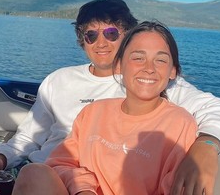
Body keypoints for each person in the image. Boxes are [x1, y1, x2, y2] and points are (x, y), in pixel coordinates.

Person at [0, 0, 220, 195]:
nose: (101, 42)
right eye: (91, 35)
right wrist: (1, 157)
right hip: (40, 170)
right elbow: (30, 136)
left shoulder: (146, 82)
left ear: (127, 35)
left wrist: (206, 147)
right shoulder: (59, 80)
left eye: (111, 32)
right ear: (82, 40)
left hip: (69, 183)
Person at [12, 20, 198, 195]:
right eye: (138, 57)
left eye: (160, 60)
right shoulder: (93, 113)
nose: (149, 68)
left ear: (173, 71)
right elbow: (60, 163)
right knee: (33, 173)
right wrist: (84, 189)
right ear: (119, 66)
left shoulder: (180, 125)